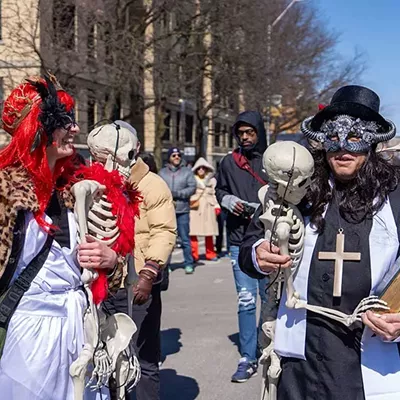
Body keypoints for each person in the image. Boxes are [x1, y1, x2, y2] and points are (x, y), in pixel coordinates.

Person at [239, 85, 400, 399]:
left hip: (369, 359)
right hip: (301, 359)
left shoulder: (395, 194)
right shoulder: (295, 189)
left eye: (355, 138)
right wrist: (259, 254)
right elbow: (249, 247)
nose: (342, 149)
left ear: (372, 143)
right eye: (333, 137)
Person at [0, 76, 120, 399]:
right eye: (65, 121)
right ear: (38, 129)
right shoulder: (5, 189)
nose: (75, 130)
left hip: (81, 331)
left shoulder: (77, 187)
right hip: (32, 338)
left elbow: (115, 264)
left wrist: (111, 260)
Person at [95, 122, 176, 400]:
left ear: (135, 149)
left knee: (142, 358)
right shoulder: (96, 184)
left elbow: (164, 230)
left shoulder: (153, 185)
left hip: (138, 286)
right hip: (102, 285)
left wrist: (148, 273)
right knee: (104, 357)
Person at [215, 111, 268, 383]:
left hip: (270, 242)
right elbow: (220, 190)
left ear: (260, 132)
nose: (245, 138)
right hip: (239, 241)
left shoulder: (273, 161)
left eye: (250, 132)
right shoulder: (228, 162)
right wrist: (228, 201)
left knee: (271, 302)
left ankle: (269, 350)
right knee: (247, 302)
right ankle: (247, 356)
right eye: (241, 133)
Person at [159, 147, 196, 274]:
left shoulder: (187, 172)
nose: (176, 157)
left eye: (178, 155)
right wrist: (167, 195)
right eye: (173, 155)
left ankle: (189, 263)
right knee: (167, 239)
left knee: (185, 239)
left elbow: (192, 187)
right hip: (167, 210)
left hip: (183, 210)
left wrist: (178, 193)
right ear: (169, 157)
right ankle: (166, 265)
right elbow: (158, 187)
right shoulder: (162, 173)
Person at [189, 157, 221, 262]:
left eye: (203, 168)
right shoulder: (192, 179)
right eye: (199, 168)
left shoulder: (212, 180)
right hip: (195, 207)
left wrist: (217, 206)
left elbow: (215, 194)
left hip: (208, 207)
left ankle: (210, 253)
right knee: (192, 232)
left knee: (209, 232)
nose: (201, 170)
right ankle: (194, 255)